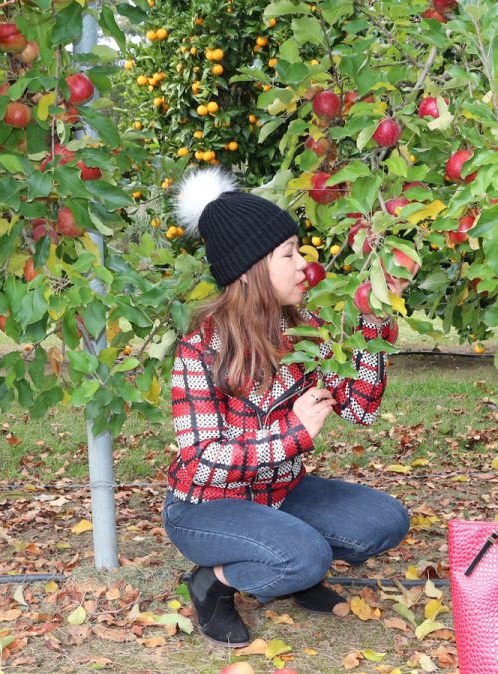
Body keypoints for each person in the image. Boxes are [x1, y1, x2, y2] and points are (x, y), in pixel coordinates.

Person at [162, 167, 411, 647]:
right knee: (305, 556)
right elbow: (201, 461)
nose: (303, 264)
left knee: (385, 522)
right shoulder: (202, 350)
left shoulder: (307, 331)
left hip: (280, 493)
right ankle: (212, 583)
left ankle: (290, 566)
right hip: (205, 507)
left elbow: (361, 408)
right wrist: (293, 433)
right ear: (253, 268)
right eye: (289, 254)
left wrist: (373, 322)